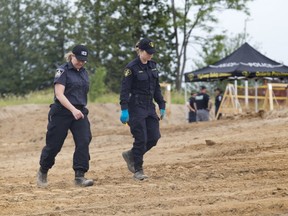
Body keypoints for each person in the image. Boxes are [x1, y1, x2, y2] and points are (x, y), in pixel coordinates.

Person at [37, 45, 93, 187]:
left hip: (79, 112)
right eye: (79, 59)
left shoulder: (84, 73)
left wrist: (78, 109)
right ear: (72, 56)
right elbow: (59, 94)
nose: (81, 62)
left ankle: (79, 176)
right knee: (54, 145)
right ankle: (43, 170)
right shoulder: (62, 71)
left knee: (84, 140)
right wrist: (72, 109)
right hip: (62, 112)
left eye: (83, 60)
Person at [119, 38, 166, 181]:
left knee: (154, 137)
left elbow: (156, 88)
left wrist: (161, 105)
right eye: (148, 52)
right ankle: (138, 170)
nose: (151, 55)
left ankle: (131, 155)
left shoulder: (153, 66)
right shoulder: (131, 68)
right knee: (141, 138)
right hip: (135, 107)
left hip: (149, 107)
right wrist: (124, 109)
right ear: (141, 51)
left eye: (152, 53)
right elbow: (124, 90)